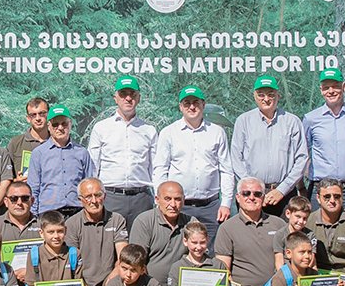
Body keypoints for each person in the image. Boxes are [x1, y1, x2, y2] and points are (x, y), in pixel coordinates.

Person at [153, 85, 234, 246]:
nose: (191, 107)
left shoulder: (217, 132)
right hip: (179, 207)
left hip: (211, 207)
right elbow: (160, 169)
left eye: (196, 102)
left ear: (203, 104)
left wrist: (226, 204)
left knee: (211, 251)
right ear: (180, 107)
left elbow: (226, 171)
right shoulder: (168, 133)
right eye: (187, 103)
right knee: (177, 250)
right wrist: (161, 202)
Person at [229, 75, 308, 215]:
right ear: (254, 96)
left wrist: (281, 190)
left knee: (285, 230)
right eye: (261, 95)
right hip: (252, 196)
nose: (266, 99)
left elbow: (301, 159)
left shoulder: (292, 122)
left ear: (278, 96)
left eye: (271, 94)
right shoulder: (243, 121)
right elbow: (236, 159)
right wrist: (254, 190)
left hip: (284, 194)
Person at [214, 177, 288, 286]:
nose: (251, 197)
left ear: (263, 197)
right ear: (238, 197)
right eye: (246, 193)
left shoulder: (279, 224)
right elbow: (223, 271)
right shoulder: (227, 228)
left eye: (257, 194)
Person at [88, 75, 158, 222]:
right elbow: (93, 167)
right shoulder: (101, 128)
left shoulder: (149, 130)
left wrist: (158, 197)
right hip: (110, 198)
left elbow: (156, 169)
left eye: (132, 94)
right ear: (115, 98)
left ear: (138, 98)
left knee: (141, 238)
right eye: (123, 94)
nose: (128, 98)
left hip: (142, 198)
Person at [303, 67, 345, 210]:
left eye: (335, 86)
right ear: (321, 90)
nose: (331, 91)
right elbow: (303, 153)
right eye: (326, 87)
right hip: (320, 191)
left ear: (344, 87)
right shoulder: (310, 119)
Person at [26, 105, 95, 216]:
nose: (60, 128)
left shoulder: (82, 153)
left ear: (70, 124)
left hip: (77, 212)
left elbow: (90, 185)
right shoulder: (38, 153)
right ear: (48, 126)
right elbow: (33, 188)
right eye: (55, 124)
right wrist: (33, 215)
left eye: (64, 123)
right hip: (49, 213)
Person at [65, 179, 129, 286]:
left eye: (98, 195)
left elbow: (123, 256)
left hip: (110, 284)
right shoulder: (71, 224)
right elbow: (72, 266)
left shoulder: (117, 220)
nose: (94, 201)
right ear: (80, 200)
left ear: (105, 196)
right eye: (88, 197)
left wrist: (114, 274)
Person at [127, 181, 191, 286]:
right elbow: (136, 261)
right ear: (157, 199)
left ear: (183, 200)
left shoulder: (191, 223)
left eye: (177, 199)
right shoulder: (144, 221)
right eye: (167, 199)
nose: (173, 204)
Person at [5, 97, 50, 182]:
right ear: (28, 118)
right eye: (33, 115)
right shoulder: (15, 143)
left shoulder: (56, 142)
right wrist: (16, 181)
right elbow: (5, 177)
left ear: (48, 115)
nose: (38, 118)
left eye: (42, 113)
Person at [0, 181, 42, 246]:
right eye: (14, 198)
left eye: (25, 198)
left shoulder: (42, 225)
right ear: (6, 202)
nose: (19, 203)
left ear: (32, 201)